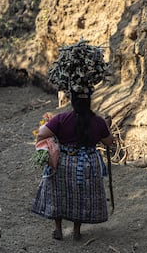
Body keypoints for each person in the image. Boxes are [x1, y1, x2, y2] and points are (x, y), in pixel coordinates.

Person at [32, 90, 114, 241]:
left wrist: (53, 143)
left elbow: (42, 134)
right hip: (88, 164)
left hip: (64, 162)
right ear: (89, 102)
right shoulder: (98, 122)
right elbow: (109, 142)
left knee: (59, 194)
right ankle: (76, 230)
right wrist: (107, 127)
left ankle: (58, 229)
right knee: (81, 196)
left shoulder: (62, 119)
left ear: (73, 102)